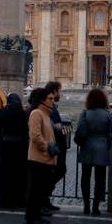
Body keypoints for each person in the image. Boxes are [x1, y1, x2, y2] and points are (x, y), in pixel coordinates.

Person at [75, 88, 112, 216]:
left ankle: (86, 205)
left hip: (87, 146)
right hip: (102, 146)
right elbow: (110, 133)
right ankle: (96, 206)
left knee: (85, 177)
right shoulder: (107, 114)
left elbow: (80, 129)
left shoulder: (85, 113)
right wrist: (106, 145)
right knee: (100, 179)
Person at [25, 87, 58, 224]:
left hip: (45, 158)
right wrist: (47, 147)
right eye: (50, 99)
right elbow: (35, 135)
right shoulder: (36, 114)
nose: (53, 101)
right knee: (36, 189)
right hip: (39, 158)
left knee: (41, 189)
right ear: (42, 100)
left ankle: (36, 214)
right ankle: (32, 216)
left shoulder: (45, 114)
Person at [0, 93, 29, 209]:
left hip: (4, 147)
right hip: (20, 148)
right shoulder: (23, 114)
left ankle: (3, 201)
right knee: (17, 175)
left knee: (4, 174)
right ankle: (17, 200)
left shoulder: (2, 112)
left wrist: (2, 133)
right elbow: (26, 130)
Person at [44, 81, 67, 211]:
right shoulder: (49, 108)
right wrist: (59, 128)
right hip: (53, 146)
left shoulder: (52, 107)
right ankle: (44, 199)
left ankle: (45, 198)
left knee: (57, 171)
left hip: (56, 146)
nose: (61, 93)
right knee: (58, 171)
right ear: (54, 91)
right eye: (60, 90)